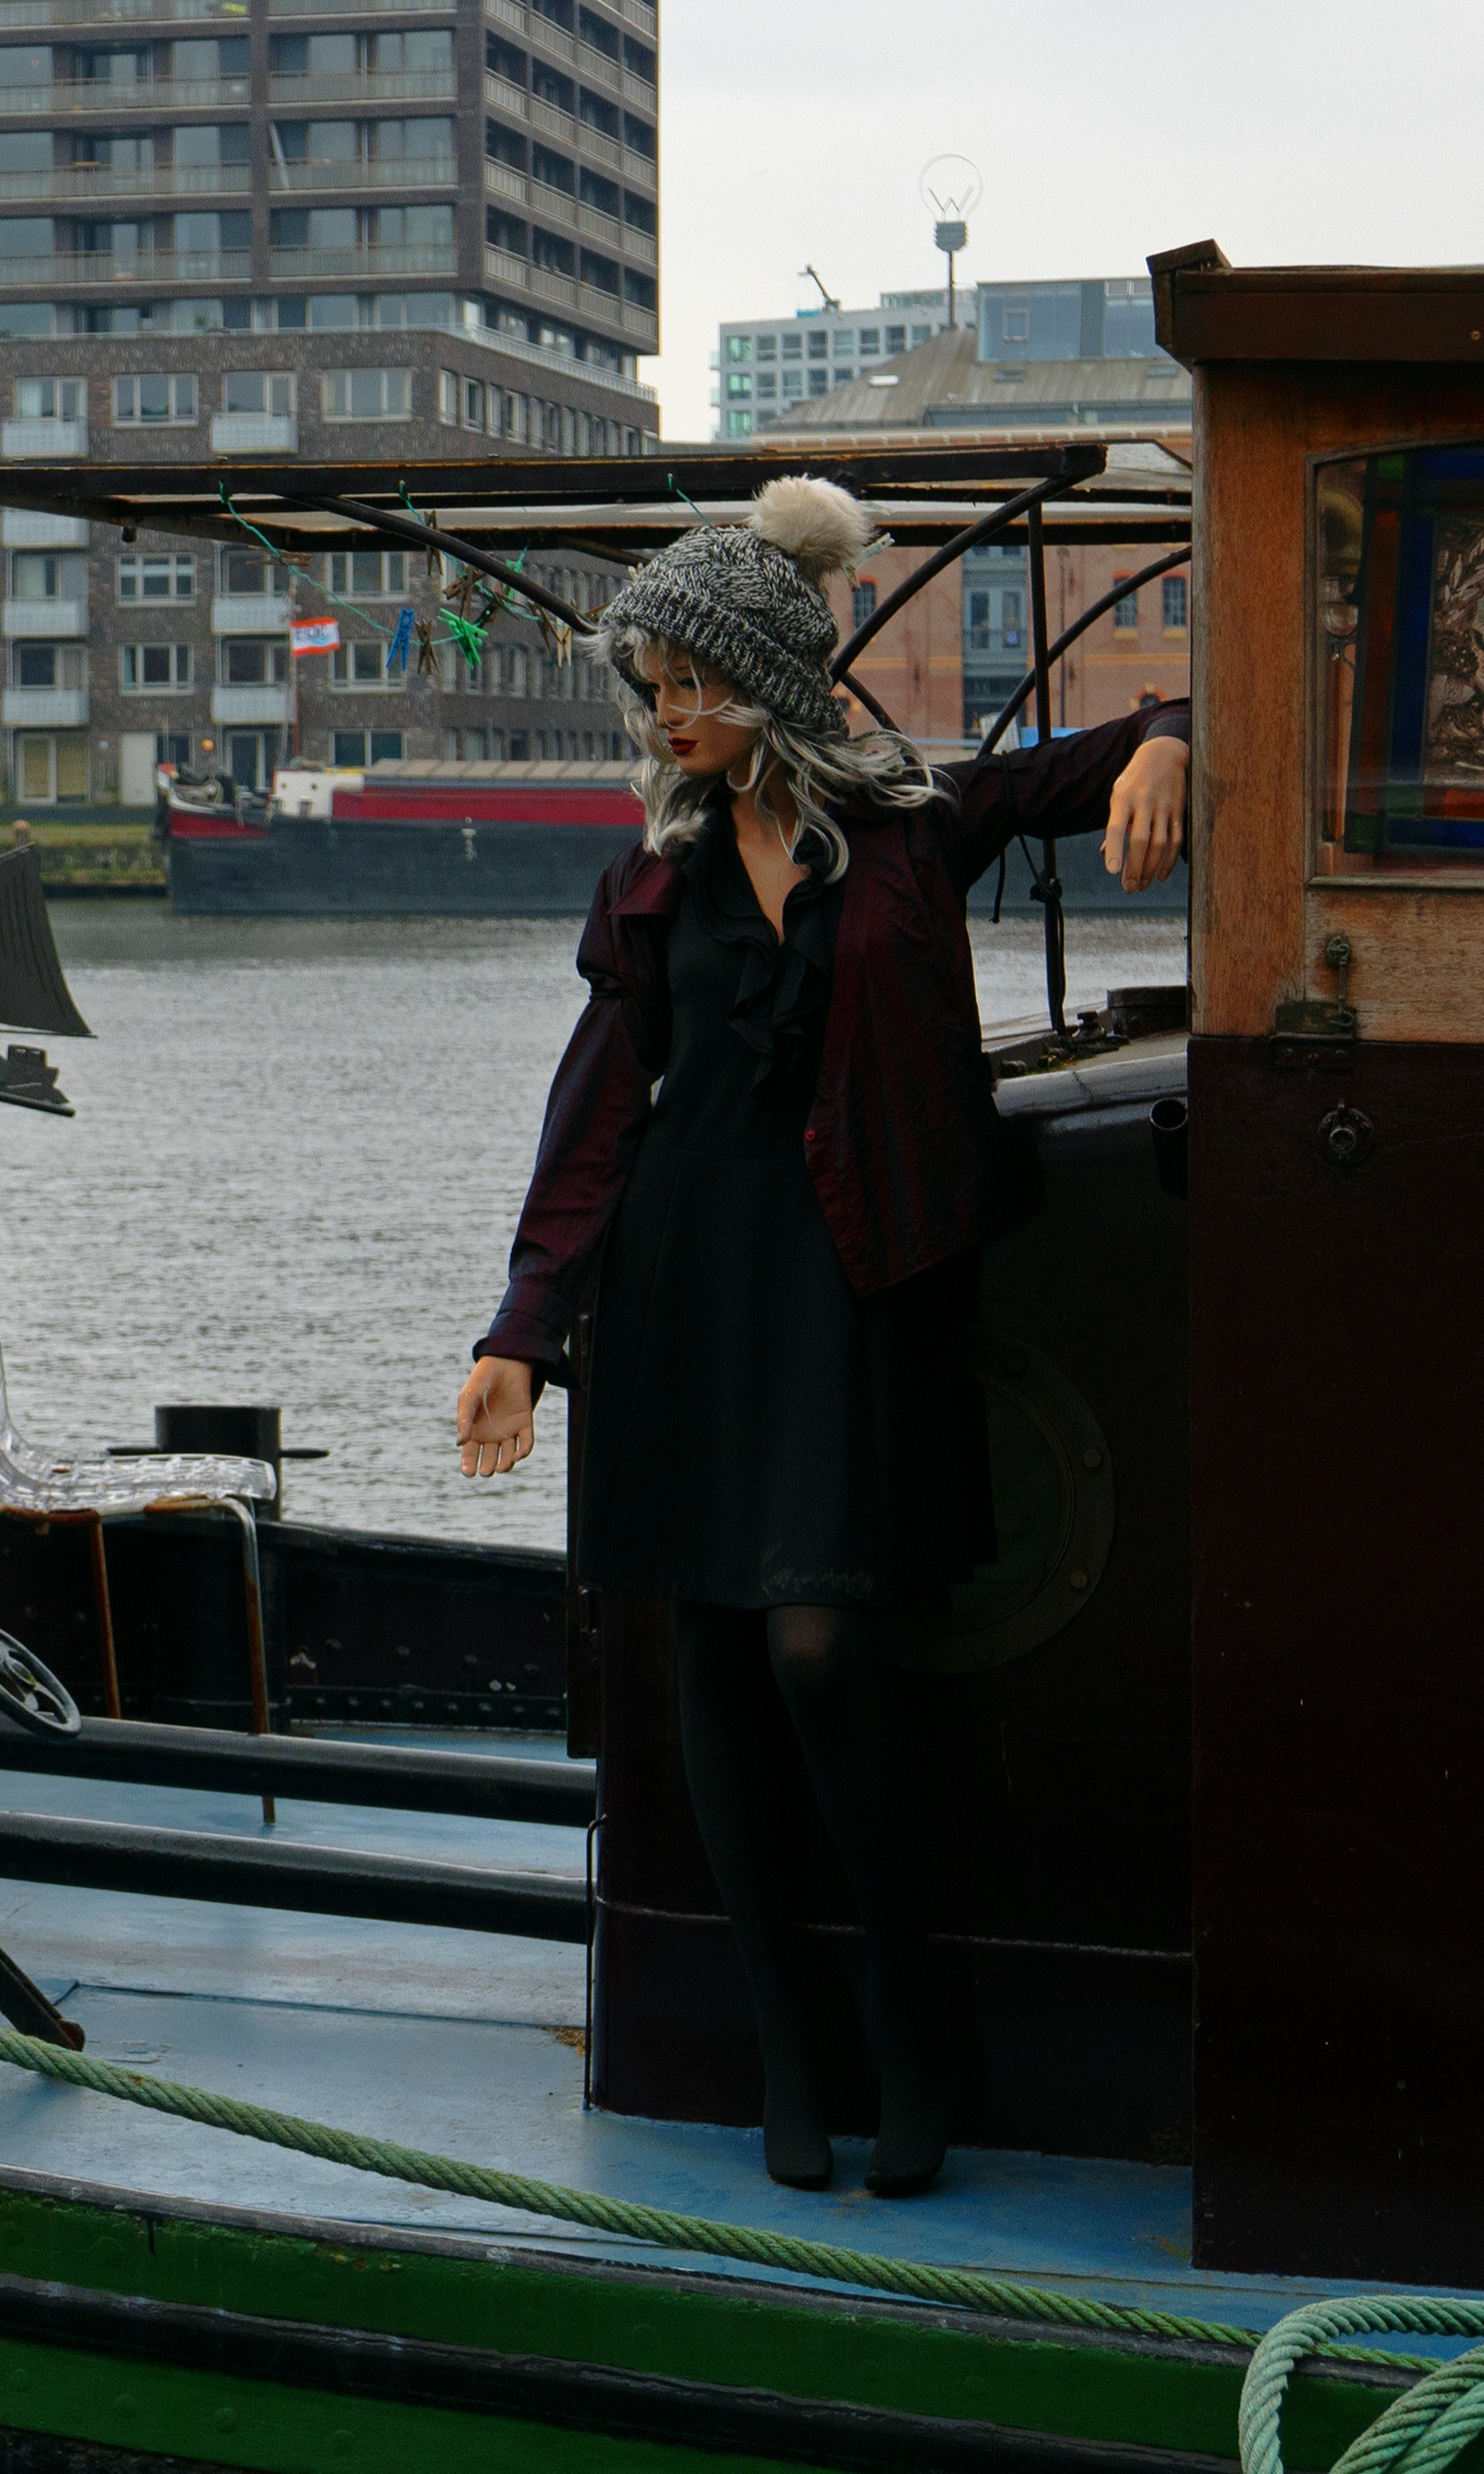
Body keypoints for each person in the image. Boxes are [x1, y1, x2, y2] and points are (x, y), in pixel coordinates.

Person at [454, 477, 1189, 2199]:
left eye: (691, 682)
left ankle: (907, 2027)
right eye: (652, 689)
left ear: (770, 672)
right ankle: (788, 2042)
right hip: (682, 1284)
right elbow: (594, 1116)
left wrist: (1166, 731)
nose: (668, 716)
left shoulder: (918, 815)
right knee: (712, 1659)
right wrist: (521, 1328)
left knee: (817, 1647)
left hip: (850, 1274)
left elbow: (1114, 749)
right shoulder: (652, 868)